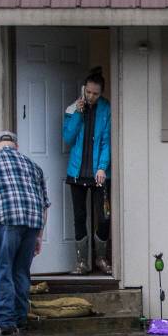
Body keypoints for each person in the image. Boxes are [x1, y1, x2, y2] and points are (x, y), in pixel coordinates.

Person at [0, 131, 50, 336]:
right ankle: (21, 321)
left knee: (3, 270)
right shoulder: (33, 165)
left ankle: (5, 323)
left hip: (4, 220)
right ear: (16, 146)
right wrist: (40, 235)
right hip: (32, 223)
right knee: (21, 272)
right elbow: (44, 204)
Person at [63, 67, 112, 275]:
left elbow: (106, 140)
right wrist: (78, 114)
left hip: (98, 173)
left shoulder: (106, 109)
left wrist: (102, 167)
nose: (91, 97)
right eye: (89, 92)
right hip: (76, 173)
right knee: (79, 217)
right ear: (84, 90)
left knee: (103, 216)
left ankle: (100, 258)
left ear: (101, 93)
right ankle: (82, 262)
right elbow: (67, 137)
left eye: (96, 93)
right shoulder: (73, 108)